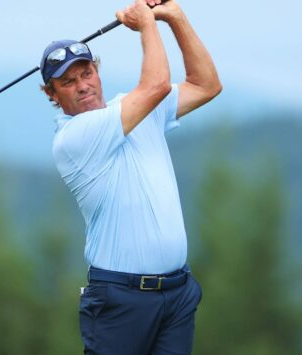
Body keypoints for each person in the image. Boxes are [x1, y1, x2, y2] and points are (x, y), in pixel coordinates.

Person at [40, 0, 221, 353]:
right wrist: (146, 23)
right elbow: (156, 87)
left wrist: (174, 17)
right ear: (52, 94)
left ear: (97, 70)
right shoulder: (74, 137)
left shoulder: (134, 110)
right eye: (67, 82)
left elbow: (206, 85)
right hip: (120, 299)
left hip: (177, 293)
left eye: (86, 72)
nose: (82, 86)